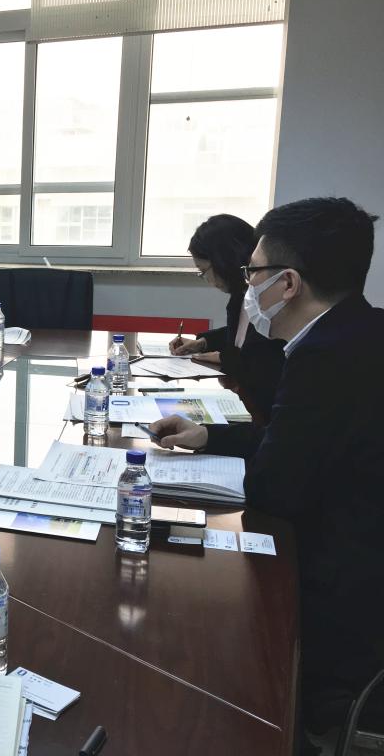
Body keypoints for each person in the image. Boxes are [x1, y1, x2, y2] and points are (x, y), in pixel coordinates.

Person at [150, 197, 384, 737]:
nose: (247, 285)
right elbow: (293, 441)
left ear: (288, 284)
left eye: (254, 272)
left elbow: (273, 488)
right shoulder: (359, 332)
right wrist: (209, 434)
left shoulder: (326, 358)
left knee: (186, 615)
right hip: (354, 559)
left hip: (343, 604)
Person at [168, 214, 286, 422]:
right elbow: (241, 335)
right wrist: (203, 343)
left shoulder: (270, 302)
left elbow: (263, 361)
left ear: (223, 261)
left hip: (264, 413)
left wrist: (226, 358)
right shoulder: (239, 296)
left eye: (203, 271)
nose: (205, 279)